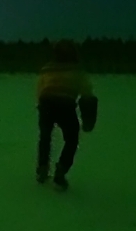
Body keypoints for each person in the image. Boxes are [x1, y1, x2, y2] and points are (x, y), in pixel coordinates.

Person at [35, 40, 96, 191]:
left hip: (46, 103)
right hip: (65, 105)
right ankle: (61, 170)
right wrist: (88, 116)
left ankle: (43, 167)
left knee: (45, 136)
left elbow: (39, 88)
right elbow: (87, 93)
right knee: (72, 139)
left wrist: (41, 104)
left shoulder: (47, 69)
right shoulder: (77, 70)